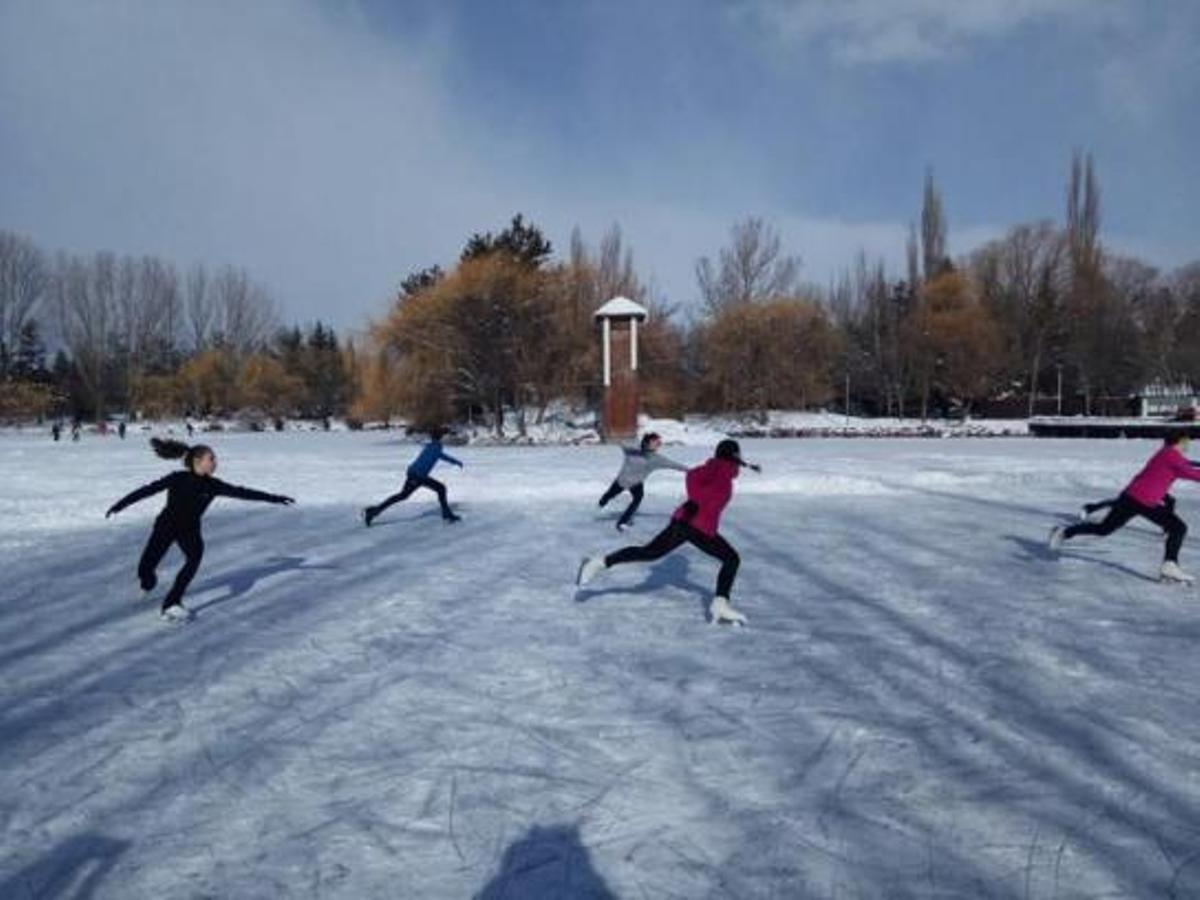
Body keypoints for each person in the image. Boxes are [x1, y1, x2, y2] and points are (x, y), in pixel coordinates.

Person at [106, 438, 295, 621]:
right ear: (198, 461)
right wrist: (120, 505)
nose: (215, 463)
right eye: (211, 458)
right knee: (146, 569)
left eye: (215, 459)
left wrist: (276, 498)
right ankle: (148, 582)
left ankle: (172, 603)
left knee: (194, 558)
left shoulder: (213, 485)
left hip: (190, 530)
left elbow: (244, 492)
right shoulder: (178, 478)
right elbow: (146, 490)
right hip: (166, 526)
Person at [577, 438, 760, 625]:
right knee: (730, 558)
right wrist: (699, 500)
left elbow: (698, 478)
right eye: (738, 454)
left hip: (696, 525)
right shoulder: (718, 470)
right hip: (692, 524)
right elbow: (693, 477)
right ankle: (720, 604)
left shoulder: (723, 471)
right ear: (733, 455)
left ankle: (600, 562)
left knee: (650, 553)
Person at [1050, 430, 1200, 582]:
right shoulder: (1171, 456)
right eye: (1187, 441)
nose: (1188, 445)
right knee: (1178, 527)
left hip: (1131, 497)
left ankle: (1065, 532)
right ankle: (1169, 565)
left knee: (1104, 529)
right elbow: (1193, 473)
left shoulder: (1166, 454)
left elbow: (1187, 467)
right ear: (1179, 441)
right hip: (1144, 500)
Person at [364, 427, 464, 526]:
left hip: (417, 475)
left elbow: (440, 455)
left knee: (439, 489)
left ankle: (374, 511)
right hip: (417, 476)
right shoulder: (435, 447)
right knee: (404, 495)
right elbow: (440, 454)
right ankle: (374, 511)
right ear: (440, 437)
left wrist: (455, 461)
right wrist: (456, 461)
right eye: (443, 436)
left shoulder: (432, 446)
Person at [597, 432, 688, 532]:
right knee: (609, 495)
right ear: (647, 442)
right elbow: (620, 442)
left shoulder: (656, 459)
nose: (658, 445)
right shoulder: (631, 450)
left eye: (659, 443)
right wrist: (611, 437)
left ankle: (622, 522)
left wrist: (690, 470)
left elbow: (673, 464)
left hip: (636, 483)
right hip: (622, 480)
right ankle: (599, 507)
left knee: (637, 498)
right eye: (655, 442)